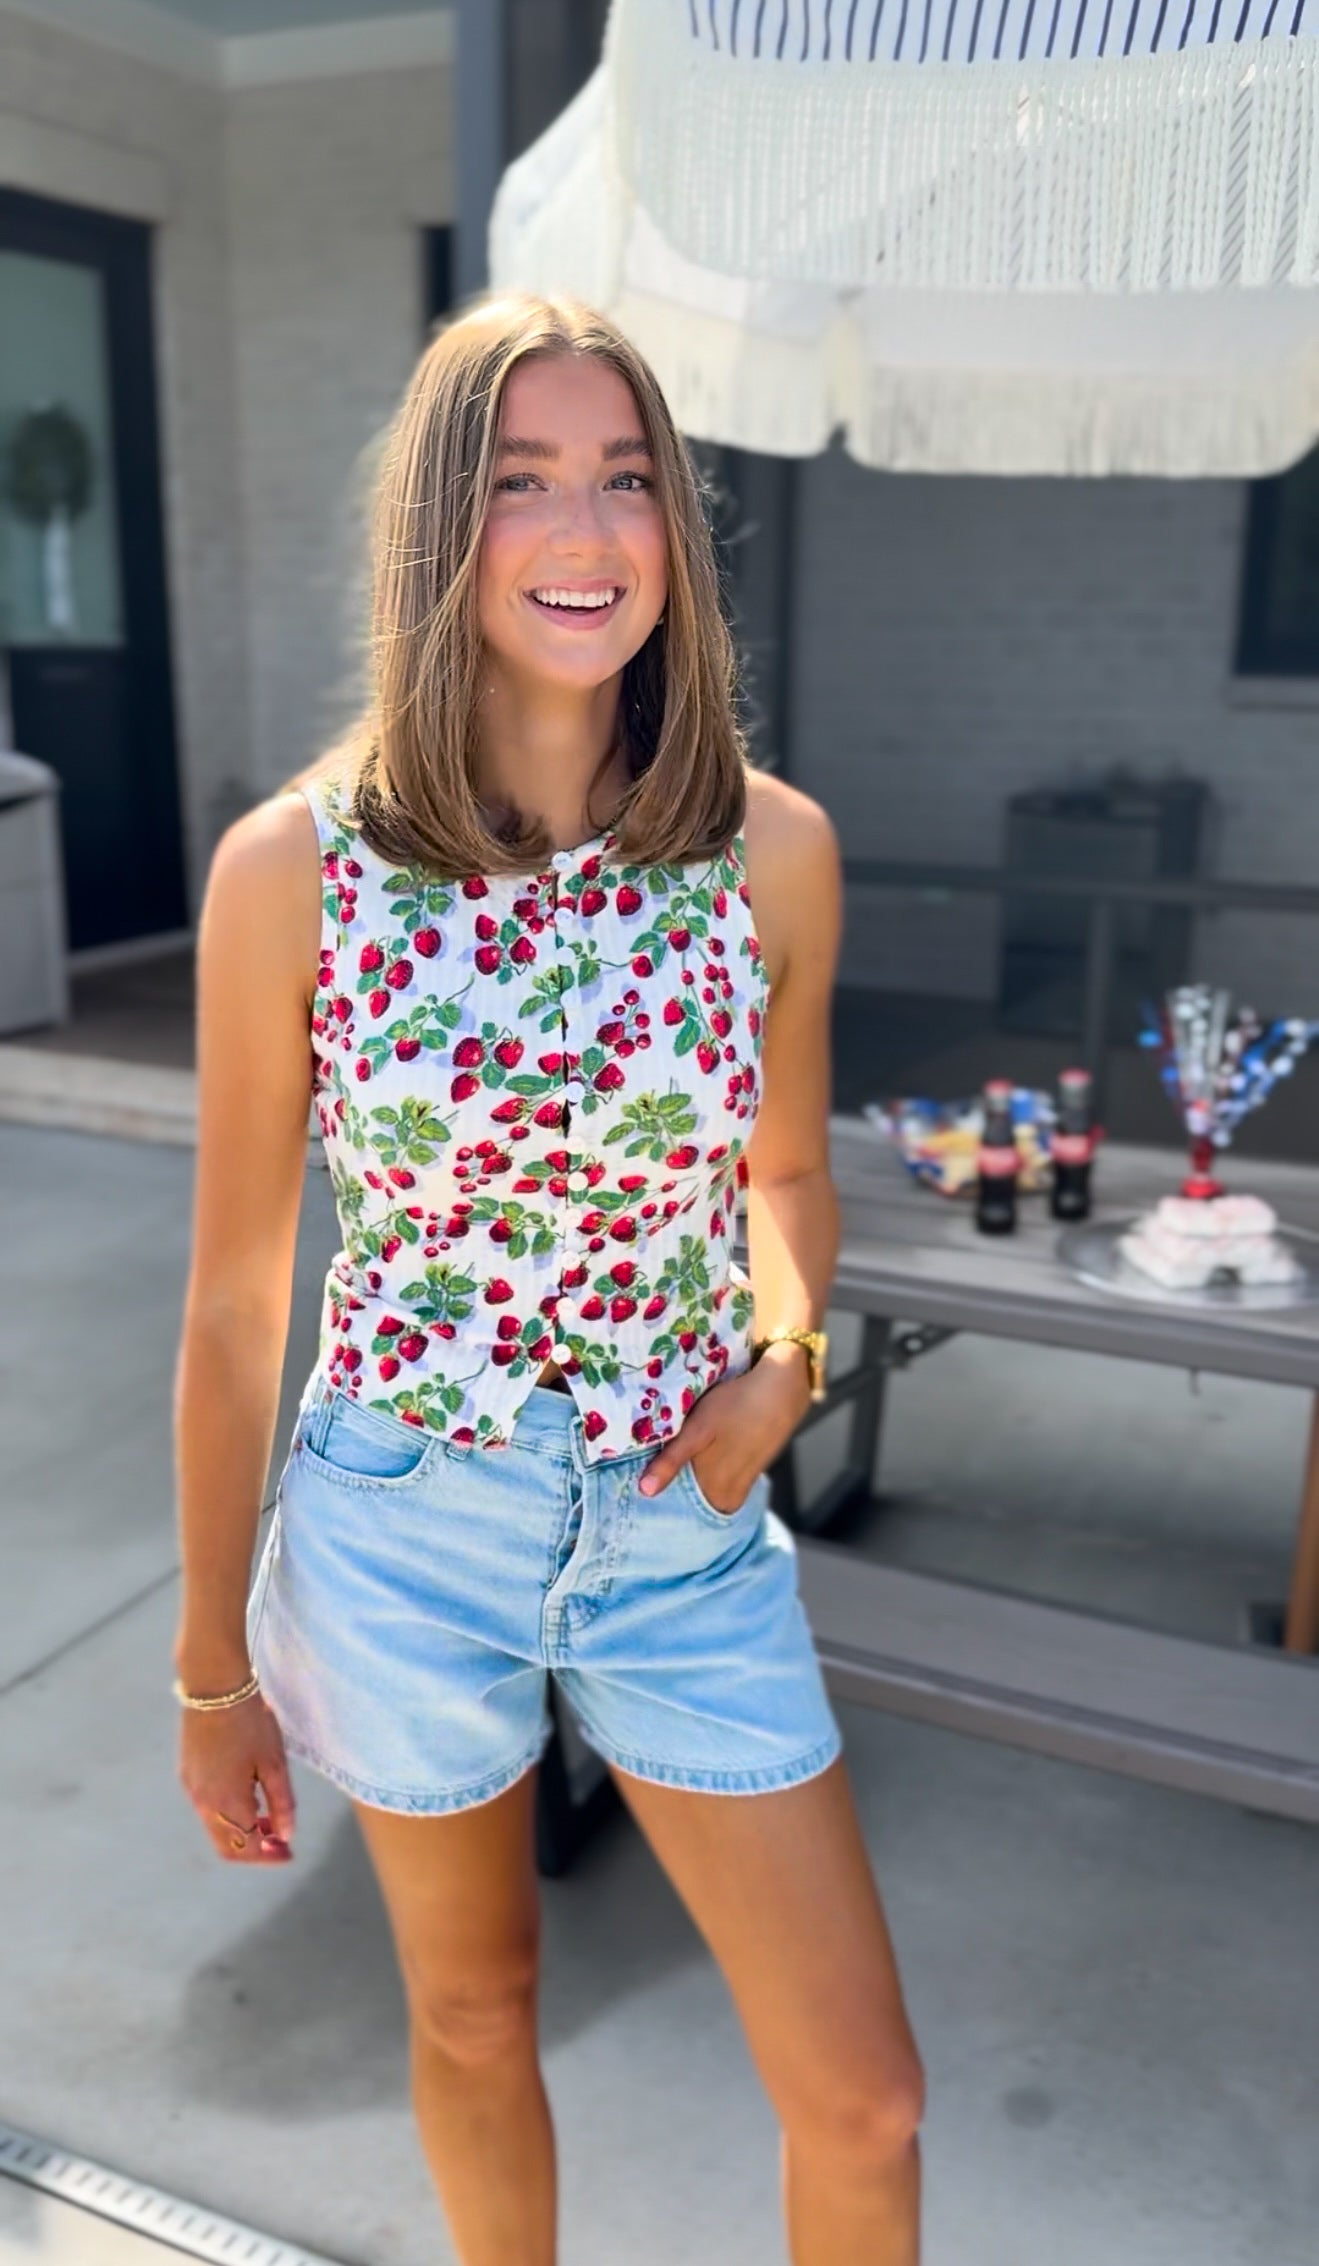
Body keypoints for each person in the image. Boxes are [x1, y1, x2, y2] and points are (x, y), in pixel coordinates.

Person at [172, 292, 923, 2265]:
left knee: (864, 2095)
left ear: (675, 522)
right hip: (403, 1519)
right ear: (443, 525)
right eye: (522, 482)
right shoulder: (292, 871)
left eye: (625, 479)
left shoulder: (770, 852)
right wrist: (210, 1664)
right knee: (473, 2009)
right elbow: (238, 1303)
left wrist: (786, 1358)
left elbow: (785, 1174)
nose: (585, 534)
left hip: (683, 1515)